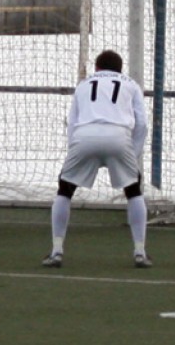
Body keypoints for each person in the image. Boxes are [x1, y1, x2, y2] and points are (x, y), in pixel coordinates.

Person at [44, 49, 149, 269]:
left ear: (97, 68)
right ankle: (140, 251)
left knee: (64, 191)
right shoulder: (131, 84)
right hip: (119, 136)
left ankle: (56, 250)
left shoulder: (83, 84)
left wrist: (73, 148)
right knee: (133, 191)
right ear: (120, 69)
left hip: (85, 135)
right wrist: (134, 153)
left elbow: (72, 122)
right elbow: (142, 123)